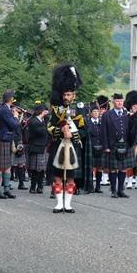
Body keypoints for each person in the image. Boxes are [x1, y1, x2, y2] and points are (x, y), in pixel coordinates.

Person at [47, 64, 89, 213]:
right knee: (58, 177)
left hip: (73, 147)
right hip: (59, 146)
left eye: (69, 94)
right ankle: (59, 203)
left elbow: (85, 130)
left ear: (74, 95)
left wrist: (73, 134)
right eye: (64, 95)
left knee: (71, 178)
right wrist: (60, 131)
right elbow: (49, 128)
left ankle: (68, 204)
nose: (66, 97)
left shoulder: (80, 109)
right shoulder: (56, 110)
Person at [101, 93, 135, 198]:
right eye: (117, 101)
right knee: (113, 168)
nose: (119, 102)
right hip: (112, 145)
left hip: (125, 144)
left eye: (121, 101)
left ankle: (121, 190)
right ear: (113, 101)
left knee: (123, 168)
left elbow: (132, 129)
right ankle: (113, 190)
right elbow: (103, 132)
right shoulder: (107, 115)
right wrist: (106, 146)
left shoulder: (127, 114)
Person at [0, 90, 20, 199]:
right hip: (1, 140)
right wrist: (16, 116)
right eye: (13, 97)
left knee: (7, 167)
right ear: (11, 99)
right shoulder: (4, 110)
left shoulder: (5, 109)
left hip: (6, 140)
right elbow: (14, 125)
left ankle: (6, 189)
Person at [25, 103, 49, 194]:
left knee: (42, 169)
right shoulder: (33, 121)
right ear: (41, 111)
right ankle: (33, 186)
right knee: (35, 169)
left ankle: (40, 186)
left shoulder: (41, 121)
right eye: (45, 111)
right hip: (36, 146)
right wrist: (46, 121)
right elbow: (43, 132)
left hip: (42, 146)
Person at [85, 104, 104, 194]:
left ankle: (98, 186)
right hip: (91, 148)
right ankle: (90, 186)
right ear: (91, 113)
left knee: (99, 168)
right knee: (91, 168)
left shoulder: (102, 122)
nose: (96, 113)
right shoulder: (87, 123)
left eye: (97, 112)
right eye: (94, 112)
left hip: (101, 148)